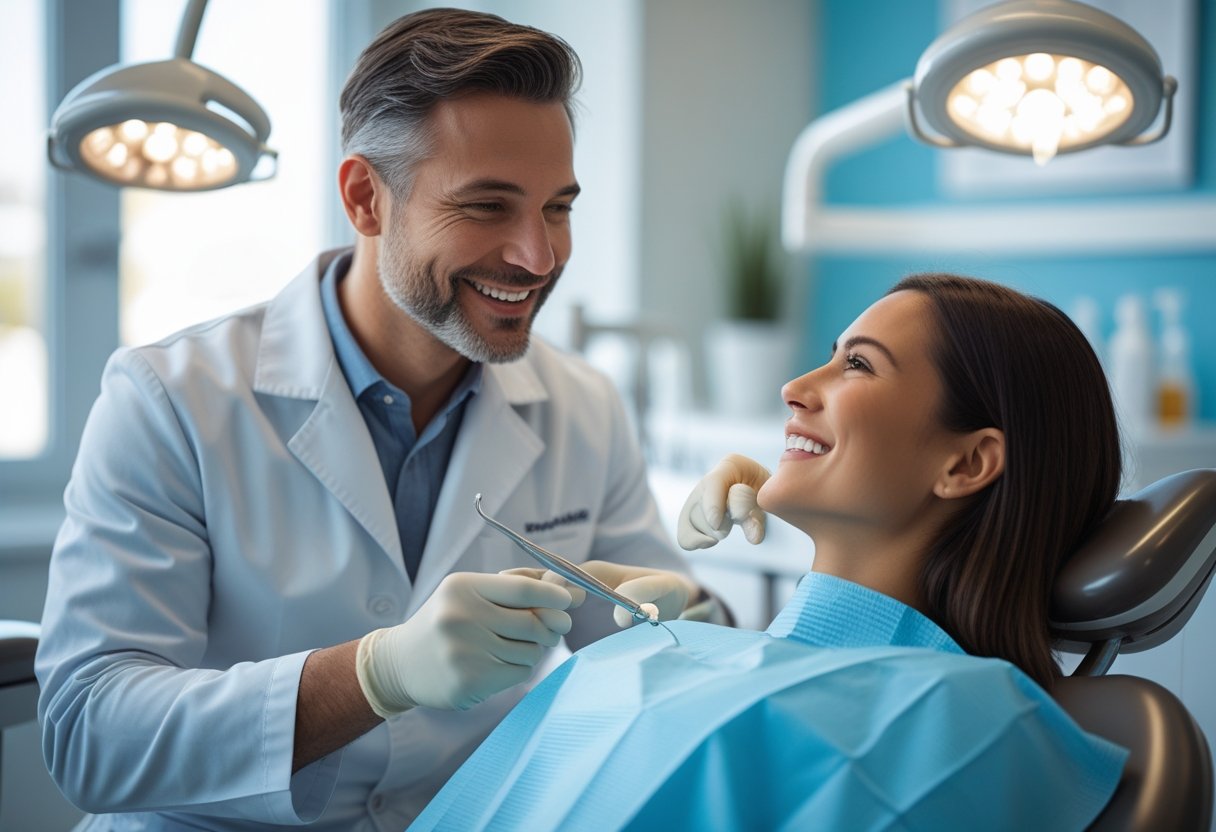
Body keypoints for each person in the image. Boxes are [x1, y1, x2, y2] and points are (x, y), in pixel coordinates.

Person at [35, 9, 726, 830]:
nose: (539, 258)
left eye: (558, 209)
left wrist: (698, 611)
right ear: (366, 197)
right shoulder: (168, 398)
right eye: (486, 206)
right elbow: (89, 735)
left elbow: (663, 672)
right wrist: (375, 675)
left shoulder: (585, 408)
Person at [408, 275, 1129, 831]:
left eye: (858, 366)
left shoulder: (967, 717)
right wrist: (699, 630)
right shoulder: (674, 647)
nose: (794, 388)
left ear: (966, 464)